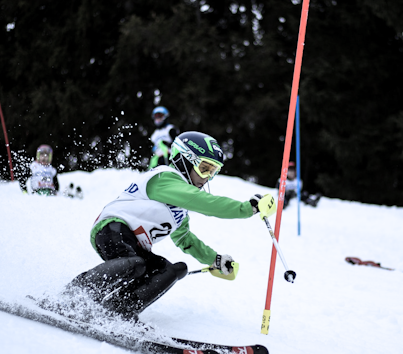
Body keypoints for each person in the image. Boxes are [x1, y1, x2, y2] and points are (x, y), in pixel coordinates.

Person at [62, 131, 277, 321]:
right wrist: (247, 208)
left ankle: (117, 312)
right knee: (135, 264)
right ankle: (72, 296)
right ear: (184, 160)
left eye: (213, 172)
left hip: (134, 245)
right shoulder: (165, 178)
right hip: (111, 229)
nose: (207, 178)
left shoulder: (180, 209)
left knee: (171, 270)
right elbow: (206, 203)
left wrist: (215, 260)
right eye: (204, 168)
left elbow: (185, 240)